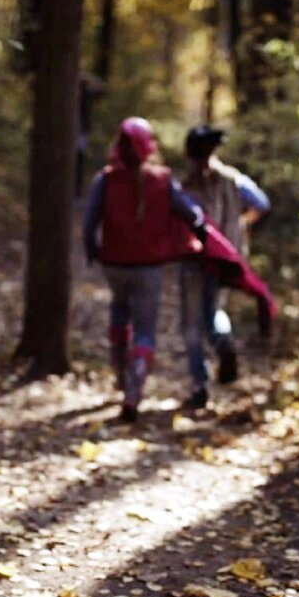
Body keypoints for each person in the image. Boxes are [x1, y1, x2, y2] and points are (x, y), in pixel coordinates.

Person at [83, 117, 208, 423]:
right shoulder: (163, 180)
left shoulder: (106, 179)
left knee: (119, 311)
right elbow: (193, 214)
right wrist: (202, 237)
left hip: (113, 264)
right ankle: (134, 389)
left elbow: (89, 222)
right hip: (149, 267)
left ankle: (120, 375)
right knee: (145, 329)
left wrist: (92, 251)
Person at [179, 124, 271, 410]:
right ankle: (223, 340)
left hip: (195, 261)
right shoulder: (234, 180)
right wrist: (243, 222)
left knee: (192, 323)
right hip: (229, 259)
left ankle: (199, 385)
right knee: (216, 310)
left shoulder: (185, 186)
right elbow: (262, 203)